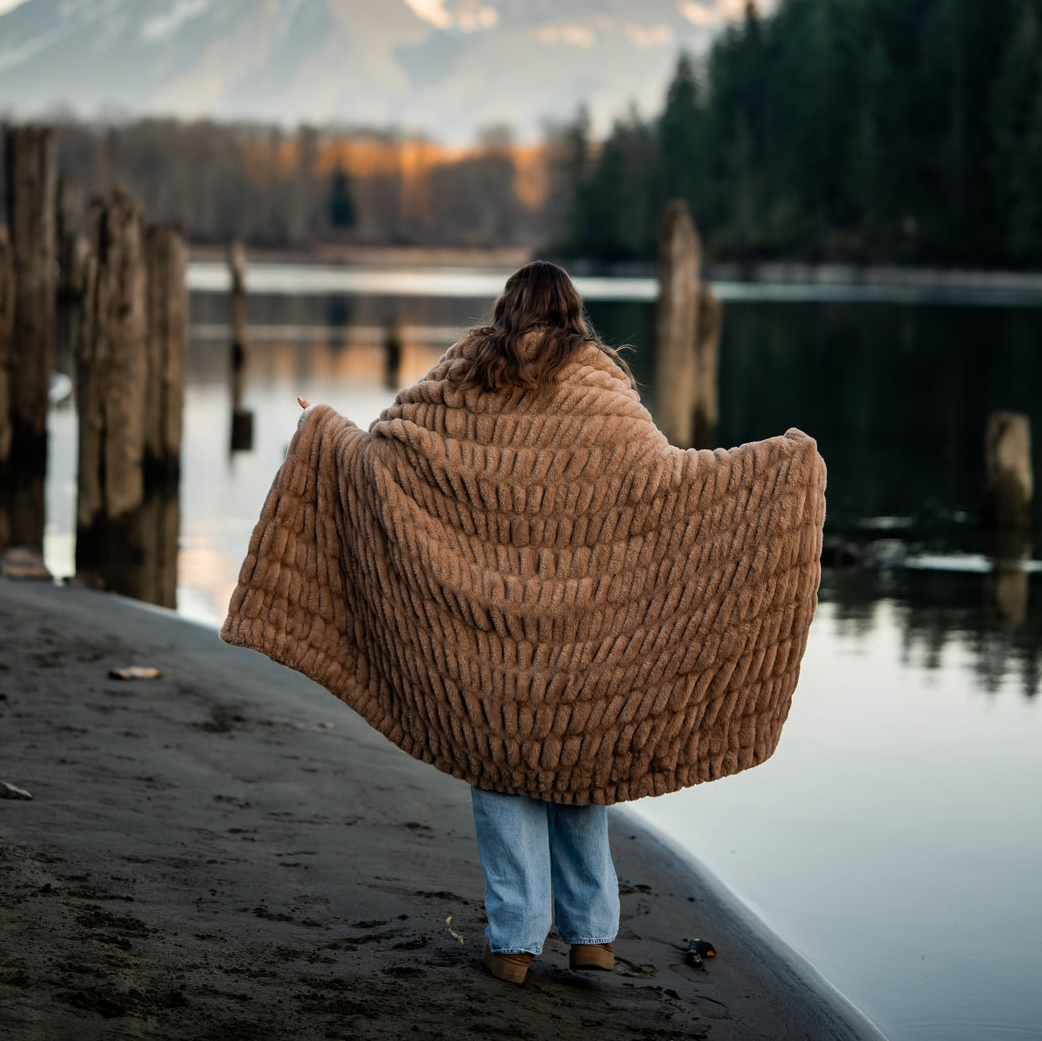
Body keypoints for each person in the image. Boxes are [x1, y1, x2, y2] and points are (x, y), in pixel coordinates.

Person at [222, 261, 825, 988]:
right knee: (576, 763)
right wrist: (780, 467)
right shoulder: (603, 388)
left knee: (499, 765)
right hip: (579, 649)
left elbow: (386, 459)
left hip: (483, 650)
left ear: (505, 312)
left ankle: (513, 942)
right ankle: (594, 933)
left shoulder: (463, 376)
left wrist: (322, 427)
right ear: (573, 315)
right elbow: (667, 486)